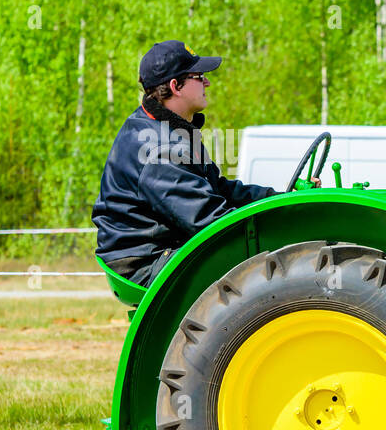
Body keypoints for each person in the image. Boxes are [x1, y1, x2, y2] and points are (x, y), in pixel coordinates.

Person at [93, 40, 279, 285]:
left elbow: (219, 190)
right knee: (262, 266)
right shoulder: (159, 149)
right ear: (175, 86)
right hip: (145, 260)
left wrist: (279, 200)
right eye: (199, 76)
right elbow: (210, 222)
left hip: (163, 246)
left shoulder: (171, 131)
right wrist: (277, 231)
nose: (208, 82)